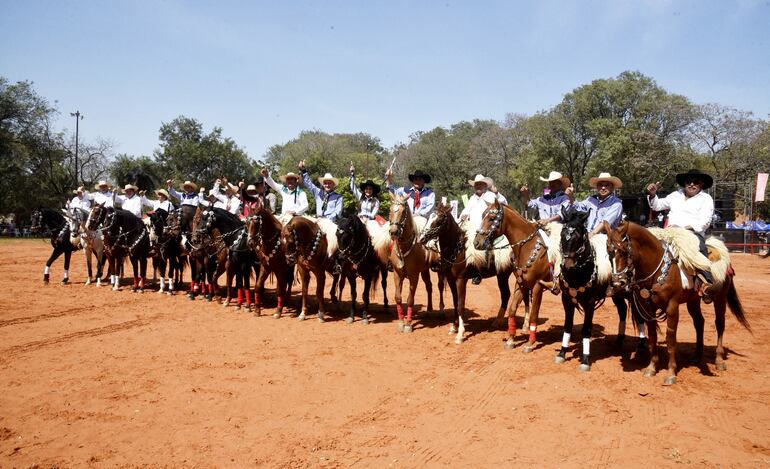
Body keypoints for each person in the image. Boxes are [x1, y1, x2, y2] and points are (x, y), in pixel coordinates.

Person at [646, 168, 715, 298]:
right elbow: (657, 206)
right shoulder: (675, 195)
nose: (692, 184)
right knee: (647, 243)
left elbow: (706, 220)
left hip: (691, 233)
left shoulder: (706, 198)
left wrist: (690, 227)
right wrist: (653, 195)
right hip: (669, 232)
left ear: (701, 184)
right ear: (684, 183)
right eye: (689, 181)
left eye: (696, 182)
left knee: (700, 247)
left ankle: (706, 282)